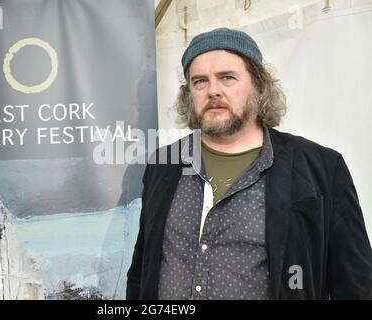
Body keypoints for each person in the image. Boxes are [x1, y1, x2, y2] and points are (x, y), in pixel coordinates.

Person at [126, 27, 372, 299]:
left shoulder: (322, 168)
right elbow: (141, 271)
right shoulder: (164, 165)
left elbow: (355, 284)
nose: (213, 91)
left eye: (227, 78)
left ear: (259, 85)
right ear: (189, 94)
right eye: (199, 82)